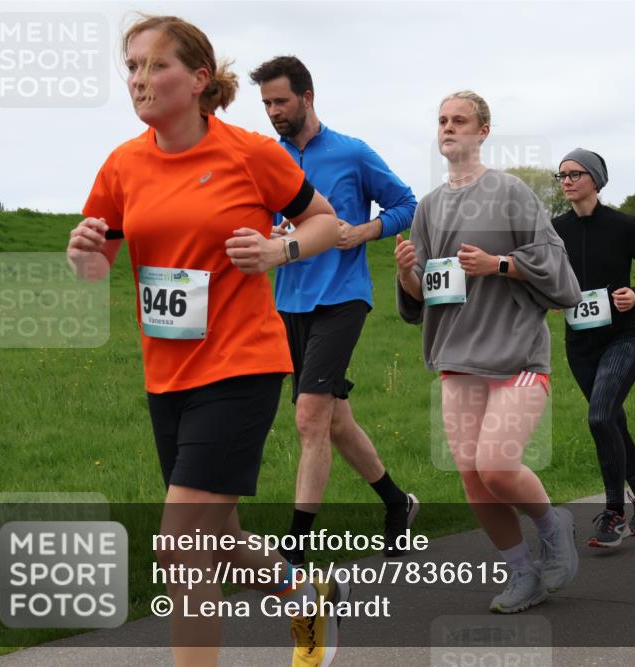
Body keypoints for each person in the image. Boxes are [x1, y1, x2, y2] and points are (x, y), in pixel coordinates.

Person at [65, 15, 344, 667]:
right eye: (130, 67)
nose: (137, 79)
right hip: (167, 375)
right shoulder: (122, 165)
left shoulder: (248, 153)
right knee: (219, 542)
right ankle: (304, 590)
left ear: (196, 80)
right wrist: (82, 252)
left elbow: (326, 221)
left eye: (153, 65)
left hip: (242, 365)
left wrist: (280, 248)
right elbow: (97, 265)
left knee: (179, 546)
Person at [395, 91, 582, 613]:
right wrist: (407, 273)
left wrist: (499, 264)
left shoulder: (512, 193)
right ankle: (523, 574)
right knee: (473, 476)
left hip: (518, 357)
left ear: (483, 131)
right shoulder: (429, 208)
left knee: (497, 465)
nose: (448, 128)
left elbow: (560, 277)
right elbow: (426, 296)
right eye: (442, 121)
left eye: (460, 120)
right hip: (457, 358)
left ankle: (552, 524)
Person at [249, 56, 420, 563]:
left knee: (308, 418)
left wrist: (364, 231)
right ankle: (398, 503)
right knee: (335, 422)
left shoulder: (353, 153)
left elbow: (406, 203)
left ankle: (295, 549)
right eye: (266, 104)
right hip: (288, 301)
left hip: (344, 298)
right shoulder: (267, 158)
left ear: (307, 97)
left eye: (280, 101)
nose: (274, 112)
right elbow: (262, 221)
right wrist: (273, 233)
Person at [552, 149, 635, 549]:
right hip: (579, 343)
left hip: (623, 337)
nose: (566, 181)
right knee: (611, 419)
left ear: (595, 180)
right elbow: (544, 276)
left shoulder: (623, 225)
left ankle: (614, 513)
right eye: (561, 175)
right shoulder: (555, 229)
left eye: (575, 174)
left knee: (600, 417)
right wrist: (549, 296)